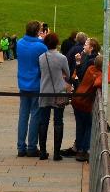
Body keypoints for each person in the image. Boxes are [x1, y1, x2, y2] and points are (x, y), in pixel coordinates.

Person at [35, 33, 71, 161]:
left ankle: (43, 151)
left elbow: (40, 72)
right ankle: (56, 153)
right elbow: (68, 73)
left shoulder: (41, 57)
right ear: (57, 43)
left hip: (44, 90)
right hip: (58, 91)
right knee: (58, 121)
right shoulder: (62, 58)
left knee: (43, 121)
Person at [14, 21, 46, 156]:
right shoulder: (40, 47)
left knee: (23, 115)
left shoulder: (19, 43)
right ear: (37, 31)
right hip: (36, 83)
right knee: (35, 115)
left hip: (23, 82)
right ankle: (32, 147)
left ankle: (21, 147)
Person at [71, 38, 103, 162]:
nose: (84, 45)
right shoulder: (94, 68)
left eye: (86, 44)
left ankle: (78, 147)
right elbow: (97, 83)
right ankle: (83, 150)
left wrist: (78, 63)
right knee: (88, 125)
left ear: (92, 47)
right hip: (85, 101)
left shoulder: (90, 67)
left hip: (77, 98)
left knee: (80, 125)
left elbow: (81, 75)